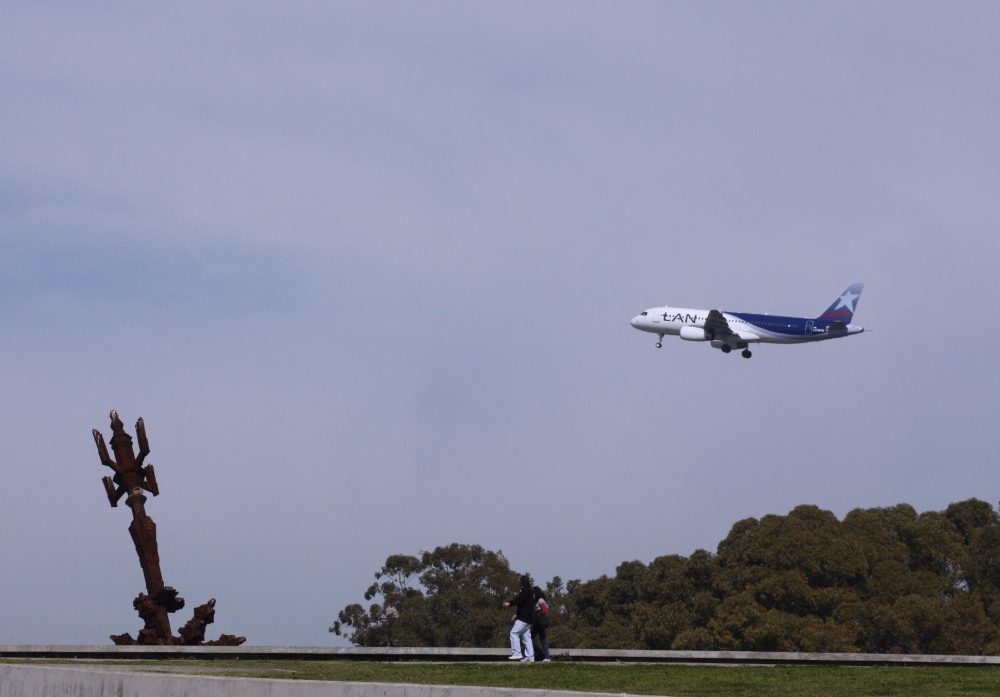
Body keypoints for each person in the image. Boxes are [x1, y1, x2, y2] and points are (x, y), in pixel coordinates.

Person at [502, 575, 535, 662]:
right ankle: (530, 657)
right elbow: (525, 605)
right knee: (526, 637)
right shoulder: (530, 592)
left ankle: (517, 653)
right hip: (529, 619)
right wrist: (517, 614)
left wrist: (509, 603)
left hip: (523, 618)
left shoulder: (525, 591)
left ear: (522, 583)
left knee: (514, 633)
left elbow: (518, 600)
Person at [532, 586, 550, 662]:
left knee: (529, 639)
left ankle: (543, 655)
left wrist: (538, 615)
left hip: (539, 623)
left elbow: (545, 610)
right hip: (538, 623)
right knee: (543, 640)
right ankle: (546, 656)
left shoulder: (540, 600)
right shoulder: (535, 601)